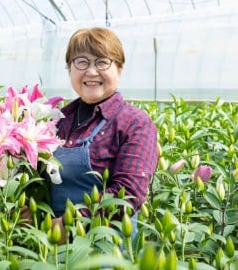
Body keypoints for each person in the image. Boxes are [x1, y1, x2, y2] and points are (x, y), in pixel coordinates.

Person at [25, 27, 159, 241]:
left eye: (102, 62)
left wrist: (69, 226)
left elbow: (128, 195)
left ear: (120, 68)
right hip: (51, 249)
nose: (91, 71)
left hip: (106, 248)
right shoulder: (56, 120)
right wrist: (29, 209)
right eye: (81, 62)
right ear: (69, 68)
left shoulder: (135, 123)